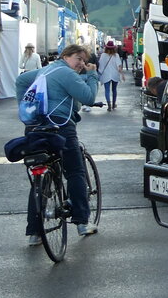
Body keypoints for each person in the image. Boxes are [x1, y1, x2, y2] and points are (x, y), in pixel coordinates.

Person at [15, 43, 100, 244]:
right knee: (75, 171)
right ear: (66, 56)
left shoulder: (45, 70)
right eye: (78, 59)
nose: (82, 63)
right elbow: (88, 97)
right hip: (60, 128)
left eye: (84, 61)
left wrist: (24, 108)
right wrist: (92, 75)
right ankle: (82, 222)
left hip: (35, 128)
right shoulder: (67, 74)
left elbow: (20, 81)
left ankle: (34, 233)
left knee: (40, 177)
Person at [97, 40, 124, 111]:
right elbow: (119, 66)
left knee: (107, 90)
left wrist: (100, 72)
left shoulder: (103, 55)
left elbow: (100, 65)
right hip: (115, 74)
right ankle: (113, 104)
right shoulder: (116, 55)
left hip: (106, 75)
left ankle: (109, 105)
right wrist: (122, 74)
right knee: (114, 90)